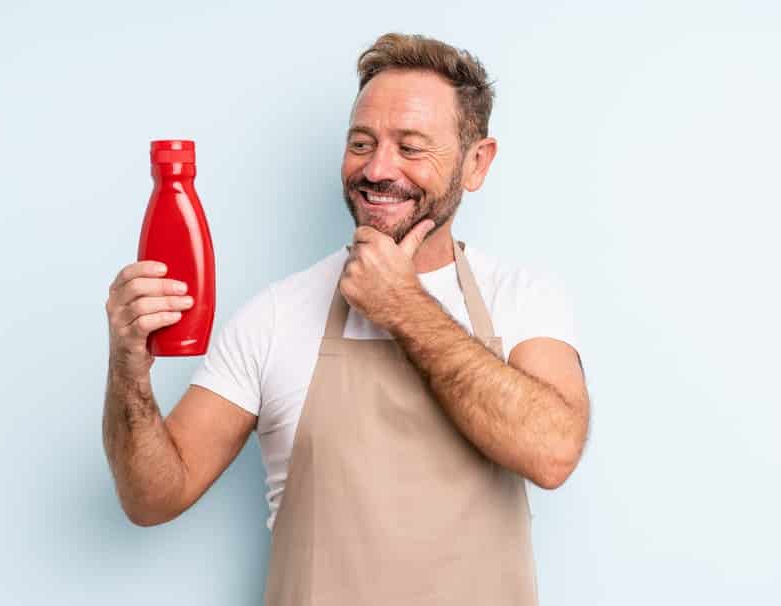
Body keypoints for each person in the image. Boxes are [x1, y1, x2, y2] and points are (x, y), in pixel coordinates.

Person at [103, 32, 590, 605]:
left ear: (475, 163)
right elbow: (153, 497)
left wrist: (403, 306)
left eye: (410, 148)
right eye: (362, 143)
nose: (378, 169)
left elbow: (553, 451)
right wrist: (128, 372)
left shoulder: (523, 299)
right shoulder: (277, 315)